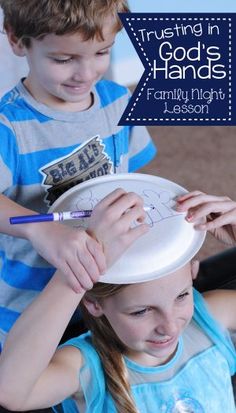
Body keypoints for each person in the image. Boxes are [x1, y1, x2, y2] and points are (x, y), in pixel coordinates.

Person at [0, 0, 156, 350]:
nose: (85, 74)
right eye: (63, 59)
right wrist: (41, 229)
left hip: (109, 294)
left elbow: (137, 187)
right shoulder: (8, 126)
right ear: (15, 39)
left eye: (102, 52)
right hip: (31, 306)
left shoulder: (118, 101)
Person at [0, 189, 236, 413]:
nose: (170, 327)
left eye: (182, 296)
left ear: (192, 271)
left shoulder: (210, 319)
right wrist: (76, 273)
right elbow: (12, 392)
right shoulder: (88, 368)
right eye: (141, 311)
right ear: (93, 303)